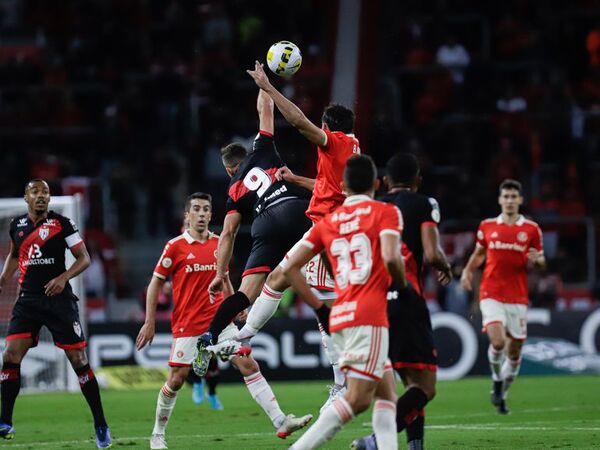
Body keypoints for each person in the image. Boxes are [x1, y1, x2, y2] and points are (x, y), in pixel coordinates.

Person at [208, 61, 361, 407]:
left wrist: (268, 86)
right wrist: (294, 180)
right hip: (322, 223)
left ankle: (341, 380)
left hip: (326, 229)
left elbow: (295, 120)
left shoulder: (333, 142)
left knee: (318, 303)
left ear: (328, 128)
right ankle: (244, 336)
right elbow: (328, 187)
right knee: (283, 279)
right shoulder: (353, 148)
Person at [136, 192, 311, 450]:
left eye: (206, 209)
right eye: (196, 209)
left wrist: (235, 306)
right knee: (176, 380)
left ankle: (280, 420)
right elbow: (155, 284)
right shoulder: (175, 246)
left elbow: (225, 278)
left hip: (219, 323)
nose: (202, 214)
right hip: (188, 325)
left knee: (248, 364)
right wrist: (149, 321)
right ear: (187, 215)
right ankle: (157, 434)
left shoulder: (220, 244)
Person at [283, 155, 406, 450]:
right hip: (369, 315)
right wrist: (401, 286)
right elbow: (390, 257)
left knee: (387, 395)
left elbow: (289, 269)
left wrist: (319, 307)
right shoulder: (386, 212)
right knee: (358, 399)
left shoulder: (329, 223)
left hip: (340, 315)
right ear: (377, 184)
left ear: (343, 186)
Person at [351, 153, 453, 450]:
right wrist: (445, 266)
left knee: (409, 383)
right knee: (425, 387)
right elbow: (432, 254)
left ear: (384, 182)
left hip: (373, 301)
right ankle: (375, 440)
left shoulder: (374, 208)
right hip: (406, 297)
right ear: (418, 181)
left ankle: (415, 446)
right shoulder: (424, 204)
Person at [0, 179, 111, 448]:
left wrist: (63, 278)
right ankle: (5, 421)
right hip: (28, 300)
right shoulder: (17, 226)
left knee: (78, 359)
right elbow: (15, 255)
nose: (41, 196)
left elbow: (84, 257)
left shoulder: (62, 224)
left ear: (50, 198)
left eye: (45, 192)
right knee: (10, 355)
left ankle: (101, 425)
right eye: (35, 192)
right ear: (26, 198)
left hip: (58, 300)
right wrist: (3, 279)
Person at [460, 179, 545, 414]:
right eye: (505, 196)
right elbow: (478, 255)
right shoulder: (487, 226)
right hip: (491, 292)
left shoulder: (531, 229)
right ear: (500, 200)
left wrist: (538, 261)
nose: (509, 201)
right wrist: (467, 272)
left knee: (515, 352)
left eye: (513, 197)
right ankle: (497, 379)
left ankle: (502, 394)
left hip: (517, 296)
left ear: (520, 200)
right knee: (498, 342)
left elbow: (541, 260)